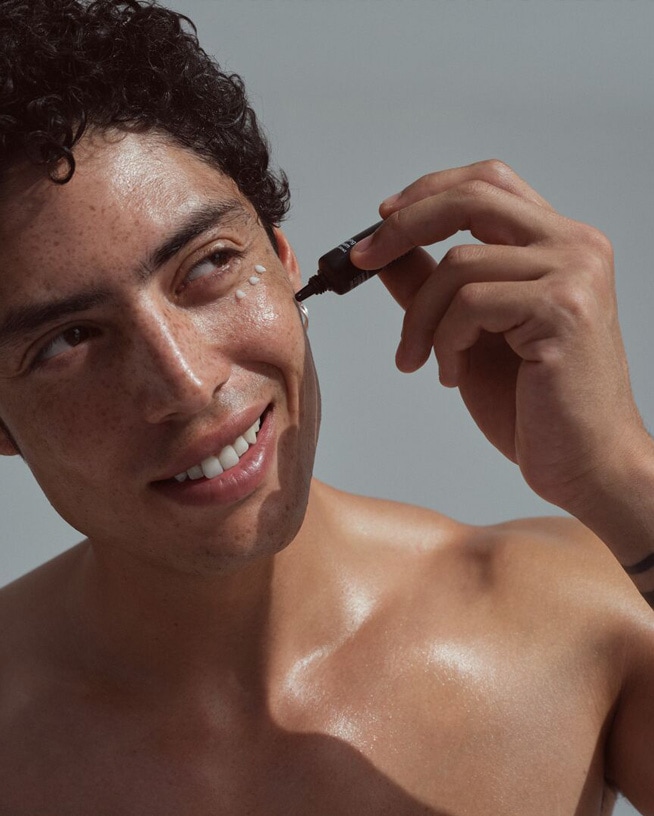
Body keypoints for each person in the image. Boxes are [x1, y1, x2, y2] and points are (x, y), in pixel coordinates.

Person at [0, 1, 652, 813]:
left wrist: (624, 480)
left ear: (282, 261)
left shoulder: (582, 620)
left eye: (208, 266)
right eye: (66, 342)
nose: (186, 383)